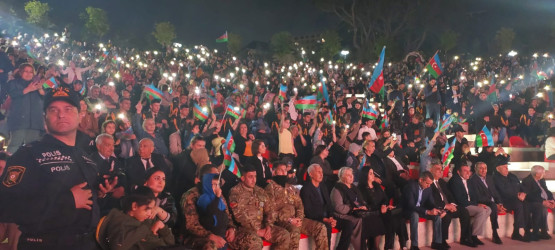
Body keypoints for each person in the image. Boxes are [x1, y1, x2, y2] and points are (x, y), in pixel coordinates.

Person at [0, 87, 116, 249]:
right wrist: (68, 200)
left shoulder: (85, 157)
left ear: (79, 115)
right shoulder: (28, 154)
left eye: (68, 109)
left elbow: (85, 200)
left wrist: (100, 192)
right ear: (44, 118)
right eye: (53, 110)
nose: (61, 114)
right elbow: (6, 206)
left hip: (87, 243)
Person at [265, 162, 328, 250]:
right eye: (281, 170)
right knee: (294, 230)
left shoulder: (290, 188)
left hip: (297, 220)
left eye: (285, 170)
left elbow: (299, 204)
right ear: (274, 172)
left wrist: (299, 218)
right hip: (283, 221)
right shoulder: (269, 188)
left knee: (321, 228)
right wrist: (290, 220)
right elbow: (271, 211)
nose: (284, 173)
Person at [228, 164, 291, 249]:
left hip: (262, 226)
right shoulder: (235, 192)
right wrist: (257, 231)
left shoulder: (260, 191)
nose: (254, 180)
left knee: (284, 235)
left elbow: (269, 210)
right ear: (242, 178)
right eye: (250, 177)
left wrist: (268, 226)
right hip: (244, 229)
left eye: (255, 176)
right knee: (255, 241)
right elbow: (240, 216)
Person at [96, 186, 176, 249]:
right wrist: (144, 230)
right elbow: (118, 247)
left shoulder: (149, 219)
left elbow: (171, 243)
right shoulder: (120, 221)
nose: (149, 213)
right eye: (147, 209)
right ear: (134, 206)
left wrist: (162, 227)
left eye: (151, 209)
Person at [180, 164, 237, 250]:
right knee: (211, 245)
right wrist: (210, 236)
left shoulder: (218, 193)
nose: (218, 177)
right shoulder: (191, 195)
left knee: (250, 239)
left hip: (220, 232)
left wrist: (231, 229)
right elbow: (191, 225)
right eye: (214, 176)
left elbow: (226, 215)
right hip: (198, 237)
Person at [300, 164, 354, 250]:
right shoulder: (306, 189)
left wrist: (331, 217)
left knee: (349, 224)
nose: (321, 174)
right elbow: (308, 211)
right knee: (327, 227)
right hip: (316, 218)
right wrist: (324, 219)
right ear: (310, 174)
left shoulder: (323, 186)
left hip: (327, 217)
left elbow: (329, 204)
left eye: (322, 172)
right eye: (318, 172)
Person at [331, 167, 383, 250]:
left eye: (352, 174)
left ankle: (373, 247)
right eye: (348, 175)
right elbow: (338, 208)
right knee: (359, 220)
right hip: (342, 214)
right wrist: (352, 208)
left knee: (373, 218)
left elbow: (361, 201)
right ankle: (360, 247)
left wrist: (363, 206)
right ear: (342, 177)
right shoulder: (337, 189)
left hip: (355, 211)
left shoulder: (354, 188)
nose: (351, 177)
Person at [429, 162, 474, 248]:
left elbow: (450, 195)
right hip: (438, 207)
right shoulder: (429, 182)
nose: (440, 171)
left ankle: (464, 238)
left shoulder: (442, 182)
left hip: (448, 206)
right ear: (431, 170)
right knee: (446, 216)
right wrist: (445, 206)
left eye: (441, 170)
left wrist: (452, 204)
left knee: (464, 211)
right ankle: (442, 240)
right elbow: (431, 199)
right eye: (438, 169)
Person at [358, 167, 404, 249]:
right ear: (365, 175)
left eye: (373, 173)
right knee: (378, 221)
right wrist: (380, 208)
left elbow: (385, 199)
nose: (373, 175)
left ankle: (388, 247)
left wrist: (384, 205)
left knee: (393, 219)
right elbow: (365, 205)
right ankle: (374, 247)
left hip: (381, 211)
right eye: (370, 173)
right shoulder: (360, 188)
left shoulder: (376, 185)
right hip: (371, 213)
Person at [448, 164, 491, 246]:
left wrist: (477, 204)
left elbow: (474, 196)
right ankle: (473, 236)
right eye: (465, 171)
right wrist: (477, 204)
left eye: (469, 171)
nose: (468, 173)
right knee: (481, 210)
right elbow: (460, 200)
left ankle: (473, 235)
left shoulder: (469, 180)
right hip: (462, 206)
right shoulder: (455, 181)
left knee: (488, 209)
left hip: (470, 204)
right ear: (458, 172)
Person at [6, 63, 44, 153]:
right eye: (26, 71)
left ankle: (30, 167)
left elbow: (45, 97)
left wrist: (40, 89)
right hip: (19, 121)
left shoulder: (37, 84)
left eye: (31, 72)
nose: (28, 73)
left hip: (34, 122)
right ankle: (8, 165)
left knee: (33, 148)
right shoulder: (13, 83)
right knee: (14, 145)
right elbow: (13, 94)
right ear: (21, 72)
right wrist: (27, 89)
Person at [402, 171, 446, 250]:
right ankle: (414, 245)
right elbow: (411, 205)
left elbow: (431, 203)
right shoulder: (411, 186)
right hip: (408, 210)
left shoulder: (428, 188)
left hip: (420, 210)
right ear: (421, 180)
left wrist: (438, 210)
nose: (429, 186)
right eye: (427, 183)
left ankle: (436, 243)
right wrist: (428, 212)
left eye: (430, 184)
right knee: (415, 215)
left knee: (437, 215)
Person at [492, 157, 529, 242]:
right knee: (519, 204)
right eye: (504, 166)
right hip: (504, 202)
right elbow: (500, 193)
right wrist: (517, 196)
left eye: (507, 166)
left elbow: (522, 188)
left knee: (526, 203)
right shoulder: (495, 178)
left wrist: (523, 193)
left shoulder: (512, 176)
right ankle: (516, 232)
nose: (507, 168)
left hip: (516, 200)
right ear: (498, 168)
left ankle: (526, 231)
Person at [469, 161, 504, 244]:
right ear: (475, 169)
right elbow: (478, 197)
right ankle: (495, 233)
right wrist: (495, 204)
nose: (483, 170)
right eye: (481, 168)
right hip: (481, 202)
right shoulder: (473, 180)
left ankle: (495, 233)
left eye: (485, 168)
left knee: (494, 205)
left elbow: (495, 192)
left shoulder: (489, 178)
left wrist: (499, 203)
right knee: (493, 206)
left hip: (492, 203)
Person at [91, 133, 126, 215]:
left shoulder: (115, 160)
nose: (112, 149)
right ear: (98, 146)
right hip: (100, 202)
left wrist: (122, 187)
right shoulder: (91, 161)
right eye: (108, 145)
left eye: (113, 145)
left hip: (117, 199)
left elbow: (122, 176)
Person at [196, 173, 230, 250]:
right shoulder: (204, 198)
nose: (216, 188)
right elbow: (211, 212)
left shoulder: (220, 199)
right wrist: (217, 197)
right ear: (207, 184)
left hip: (222, 234)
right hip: (212, 235)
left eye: (218, 185)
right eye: (214, 184)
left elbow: (223, 213)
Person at [521, 165, 555, 240]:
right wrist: (542, 201)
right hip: (532, 202)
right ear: (537, 174)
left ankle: (544, 231)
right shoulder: (527, 181)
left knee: (548, 205)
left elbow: (547, 191)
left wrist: (552, 199)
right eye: (543, 173)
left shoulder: (542, 179)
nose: (544, 174)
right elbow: (529, 196)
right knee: (541, 208)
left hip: (544, 200)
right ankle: (540, 231)